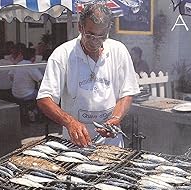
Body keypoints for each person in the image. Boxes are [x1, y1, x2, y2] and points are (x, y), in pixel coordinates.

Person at [37, 3, 140, 147]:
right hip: (74, 143)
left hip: (111, 143)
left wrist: (116, 118)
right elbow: (44, 99)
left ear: (108, 30)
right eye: (90, 35)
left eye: (101, 36)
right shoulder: (62, 54)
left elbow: (127, 92)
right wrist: (70, 122)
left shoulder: (119, 51)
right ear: (80, 27)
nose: (95, 42)